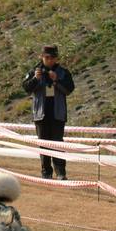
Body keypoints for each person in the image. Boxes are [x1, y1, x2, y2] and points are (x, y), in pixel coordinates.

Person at [21, 44, 75, 180]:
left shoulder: (63, 72)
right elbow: (26, 89)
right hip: (40, 114)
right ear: (42, 57)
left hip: (58, 113)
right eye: (47, 57)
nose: (50, 60)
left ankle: (61, 172)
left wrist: (56, 80)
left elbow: (69, 90)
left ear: (57, 58)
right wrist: (35, 79)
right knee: (43, 144)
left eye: (53, 57)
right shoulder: (35, 71)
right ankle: (46, 172)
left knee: (58, 143)